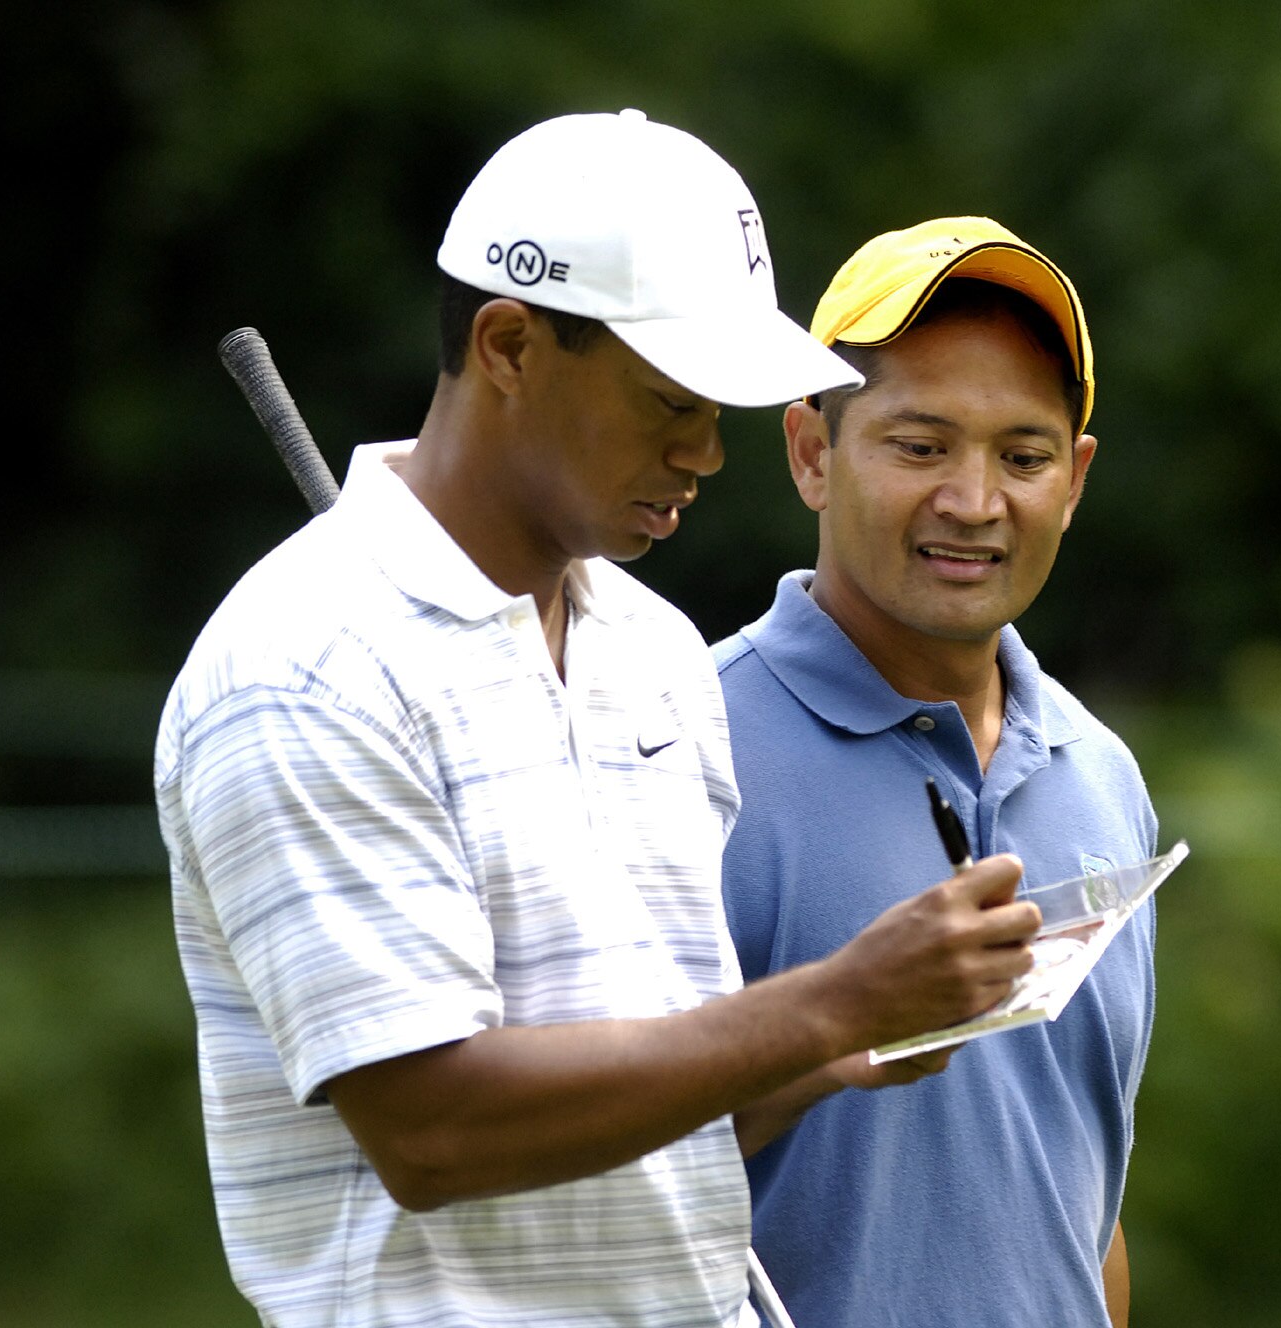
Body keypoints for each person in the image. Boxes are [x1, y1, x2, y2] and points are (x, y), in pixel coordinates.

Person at [155, 113, 1042, 1328]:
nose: (705, 453)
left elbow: (647, 1117)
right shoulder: (301, 669)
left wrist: (818, 1056)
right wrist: (828, 1000)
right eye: (669, 401)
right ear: (511, 344)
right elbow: (432, 1130)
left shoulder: (654, 651)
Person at [716, 217, 1159, 1327]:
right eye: (919, 446)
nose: (972, 501)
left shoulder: (1099, 774)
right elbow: (578, 1173)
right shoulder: (674, 743)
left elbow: (1083, 1203)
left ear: (1076, 477)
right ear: (811, 451)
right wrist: (831, 1032)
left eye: (1022, 455)